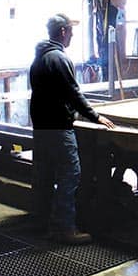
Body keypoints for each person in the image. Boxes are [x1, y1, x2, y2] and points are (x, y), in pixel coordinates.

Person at [30, 13, 116, 245]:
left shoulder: (40, 57)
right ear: (63, 32)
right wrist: (96, 116)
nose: (73, 35)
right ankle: (64, 228)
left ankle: (42, 223)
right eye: (71, 31)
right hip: (58, 127)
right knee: (71, 174)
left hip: (41, 126)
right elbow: (73, 93)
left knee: (46, 175)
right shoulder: (59, 58)